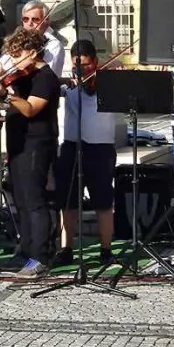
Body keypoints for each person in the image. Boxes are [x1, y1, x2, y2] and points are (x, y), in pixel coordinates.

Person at [0, 27, 60, 278]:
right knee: (20, 199)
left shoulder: (46, 77)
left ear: (33, 52)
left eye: (17, 55)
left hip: (37, 143)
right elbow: (6, 100)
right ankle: (24, 250)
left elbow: (30, 108)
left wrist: (7, 94)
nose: (13, 61)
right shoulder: (19, 77)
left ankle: (40, 256)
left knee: (35, 200)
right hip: (17, 142)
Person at [53, 40, 120, 268]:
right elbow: (54, 86)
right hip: (72, 145)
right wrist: (64, 81)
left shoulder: (106, 82)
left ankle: (106, 249)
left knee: (103, 201)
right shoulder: (70, 82)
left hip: (100, 147)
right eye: (76, 66)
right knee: (68, 201)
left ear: (95, 62)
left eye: (87, 65)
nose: (81, 70)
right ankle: (66, 247)